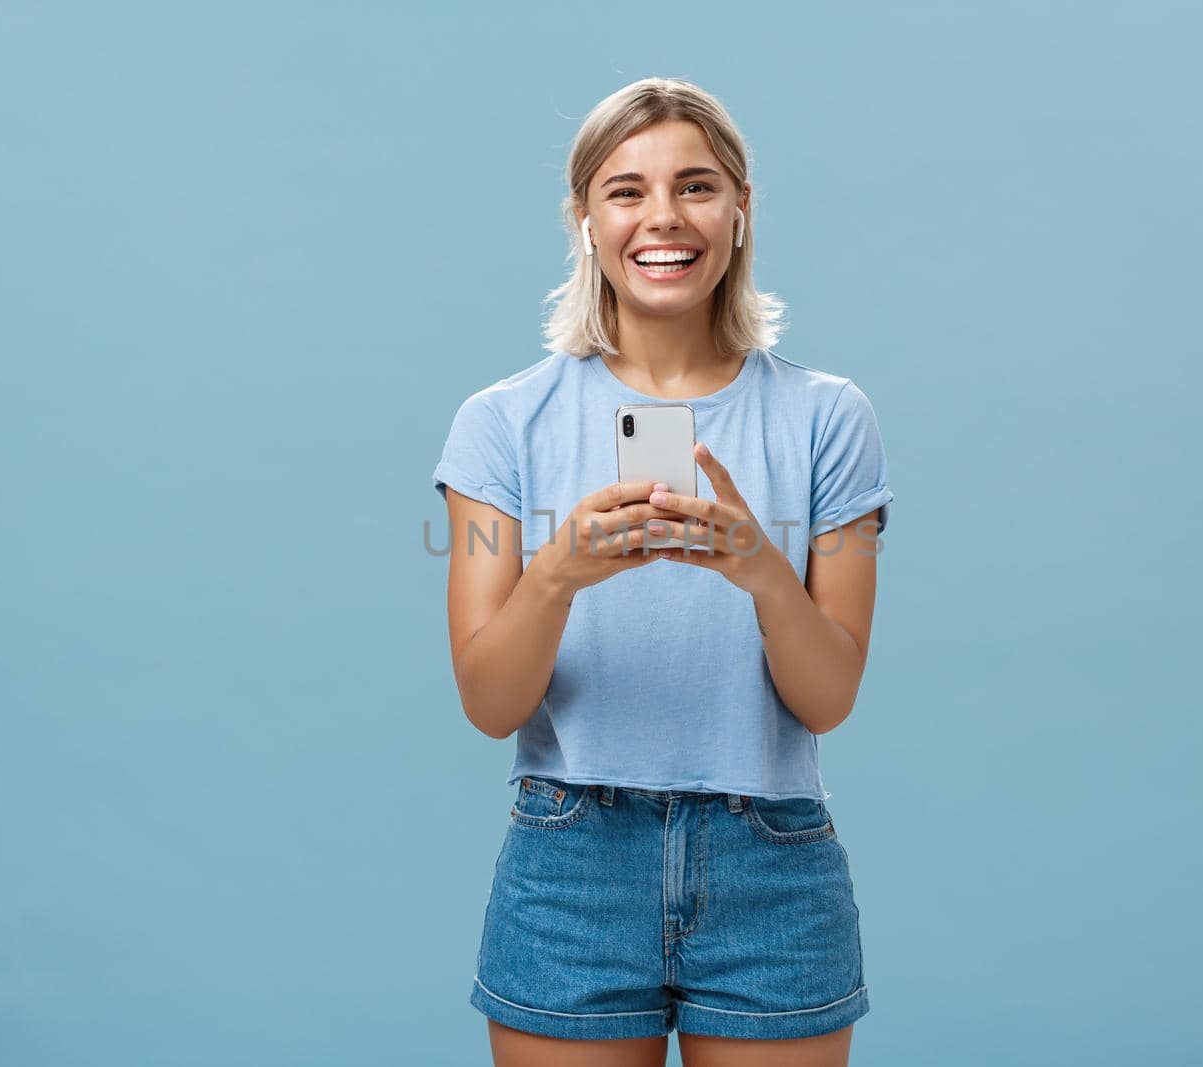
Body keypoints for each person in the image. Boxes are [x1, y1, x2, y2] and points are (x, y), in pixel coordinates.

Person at [432, 77, 893, 1067]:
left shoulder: (827, 417)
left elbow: (827, 695)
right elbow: (489, 700)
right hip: (571, 860)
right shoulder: (501, 422)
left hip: (771, 861)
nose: (663, 218)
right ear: (585, 219)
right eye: (626, 190)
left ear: (738, 210)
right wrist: (558, 572)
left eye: (695, 186)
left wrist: (761, 570)